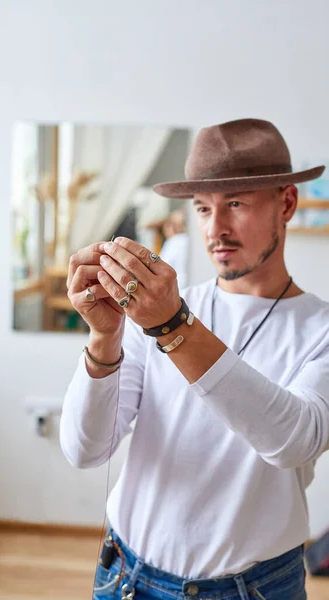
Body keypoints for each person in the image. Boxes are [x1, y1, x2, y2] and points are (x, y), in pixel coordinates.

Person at [60, 118, 329, 600]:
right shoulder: (163, 309)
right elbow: (85, 451)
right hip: (125, 575)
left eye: (236, 204)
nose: (214, 228)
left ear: (286, 203)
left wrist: (172, 326)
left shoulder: (319, 329)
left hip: (254, 589)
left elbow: (295, 439)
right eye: (202, 208)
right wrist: (105, 339)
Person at [159, 209, 189, 289]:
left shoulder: (173, 243)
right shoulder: (188, 240)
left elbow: (161, 267)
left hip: (176, 288)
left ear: (171, 227)